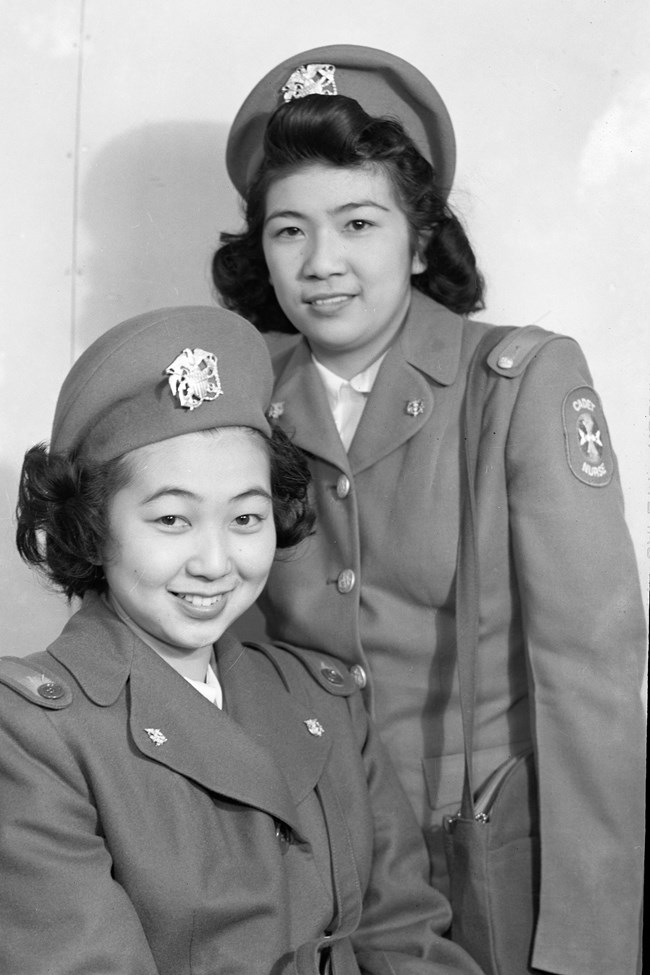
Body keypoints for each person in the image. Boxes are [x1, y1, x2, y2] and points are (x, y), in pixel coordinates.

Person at [212, 45, 647, 975]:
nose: (322, 262)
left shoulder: (518, 383)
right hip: (318, 859)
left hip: (490, 863)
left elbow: (592, 681)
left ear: (419, 240)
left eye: (357, 222)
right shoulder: (240, 396)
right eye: (288, 230)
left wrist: (591, 946)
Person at [0, 305, 486, 975]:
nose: (215, 562)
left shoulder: (323, 699)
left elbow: (406, 936)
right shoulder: (31, 735)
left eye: (247, 518)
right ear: (91, 526)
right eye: (172, 519)